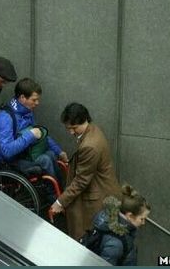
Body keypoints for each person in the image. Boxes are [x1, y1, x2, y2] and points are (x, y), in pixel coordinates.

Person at [50, 102, 121, 240]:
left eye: (73, 128)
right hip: (102, 193)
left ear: (84, 121)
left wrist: (60, 202)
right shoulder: (93, 130)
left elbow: (81, 181)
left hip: (96, 201)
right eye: (68, 128)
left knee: (88, 243)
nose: (71, 132)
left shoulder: (90, 145)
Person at [0, 78, 68, 186]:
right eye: (34, 100)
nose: (37, 103)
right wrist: (30, 135)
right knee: (45, 160)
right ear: (22, 98)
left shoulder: (27, 111)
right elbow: (6, 151)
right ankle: (54, 198)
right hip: (7, 162)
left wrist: (59, 151)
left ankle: (62, 192)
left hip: (23, 154)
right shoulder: (5, 118)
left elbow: (40, 135)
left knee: (51, 154)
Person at [93, 185, 151, 265]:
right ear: (130, 216)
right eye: (142, 219)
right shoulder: (115, 244)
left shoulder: (119, 227)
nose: (143, 223)